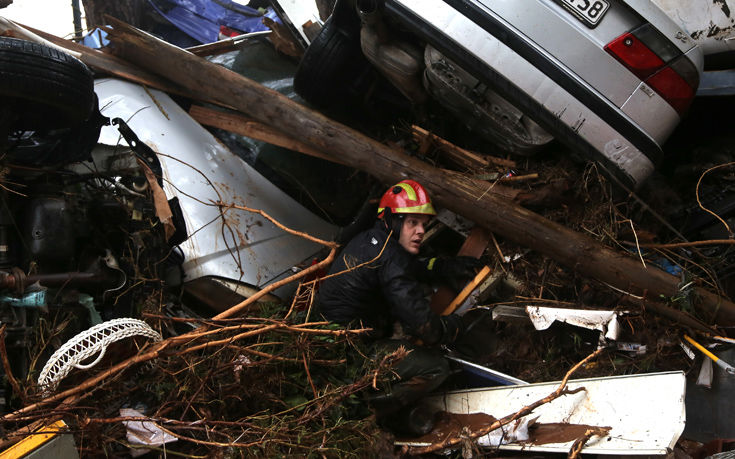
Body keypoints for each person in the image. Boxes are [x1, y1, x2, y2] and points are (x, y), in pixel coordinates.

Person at [315, 179, 483, 436]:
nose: (420, 231)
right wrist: (455, 328)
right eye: (412, 222)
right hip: (348, 355)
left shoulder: (369, 240)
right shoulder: (390, 256)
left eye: (423, 225)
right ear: (391, 221)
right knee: (436, 367)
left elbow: (408, 267)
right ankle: (363, 413)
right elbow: (427, 329)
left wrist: (441, 267)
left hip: (324, 341)